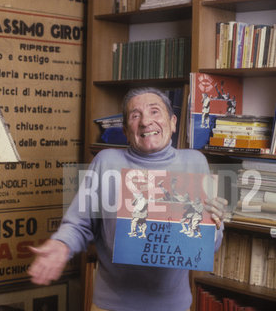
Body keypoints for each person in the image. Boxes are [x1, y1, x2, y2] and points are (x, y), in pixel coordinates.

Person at [28, 87, 227, 311]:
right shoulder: (107, 161)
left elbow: (207, 246)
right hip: (111, 305)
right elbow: (79, 223)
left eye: (154, 112)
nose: (145, 122)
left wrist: (216, 226)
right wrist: (61, 244)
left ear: (172, 123)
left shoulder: (194, 162)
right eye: (135, 115)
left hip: (174, 306)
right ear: (125, 130)